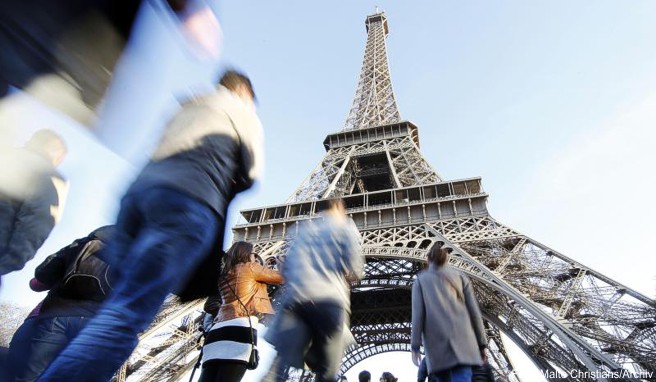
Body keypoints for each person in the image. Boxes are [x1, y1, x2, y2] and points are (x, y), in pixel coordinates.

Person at [37, 69, 263, 382]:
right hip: (188, 201)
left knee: (118, 306)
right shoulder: (242, 111)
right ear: (244, 93)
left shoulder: (190, 103)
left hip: (140, 199)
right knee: (126, 316)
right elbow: (250, 172)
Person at [264, 198, 363, 382]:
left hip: (297, 301)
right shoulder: (345, 227)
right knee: (327, 371)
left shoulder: (302, 229)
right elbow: (355, 270)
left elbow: (287, 270)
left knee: (278, 367)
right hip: (328, 302)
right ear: (338, 207)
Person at [6, 226, 114, 381]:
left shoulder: (84, 244)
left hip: (55, 317)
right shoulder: (144, 257)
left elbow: (37, 283)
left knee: (31, 374)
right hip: (99, 326)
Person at [198, 241, 283, 382]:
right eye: (252, 254)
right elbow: (282, 277)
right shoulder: (250, 268)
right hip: (239, 329)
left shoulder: (223, 275)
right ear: (247, 254)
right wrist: (281, 263)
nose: (254, 257)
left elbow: (211, 304)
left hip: (216, 332)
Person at [411, 244, 487, 382]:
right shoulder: (461, 277)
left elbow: (417, 316)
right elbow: (474, 312)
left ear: (428, 260)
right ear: (447, 259)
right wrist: (482, 344)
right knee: (462, 377)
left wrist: (415, 346)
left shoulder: (420, 281)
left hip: (437, 346)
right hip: (463, 341)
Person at [0, 129, 67, 281]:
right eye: (60, 157)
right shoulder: (49, 176)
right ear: (54, 151)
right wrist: (11, 261)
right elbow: (39, 223)